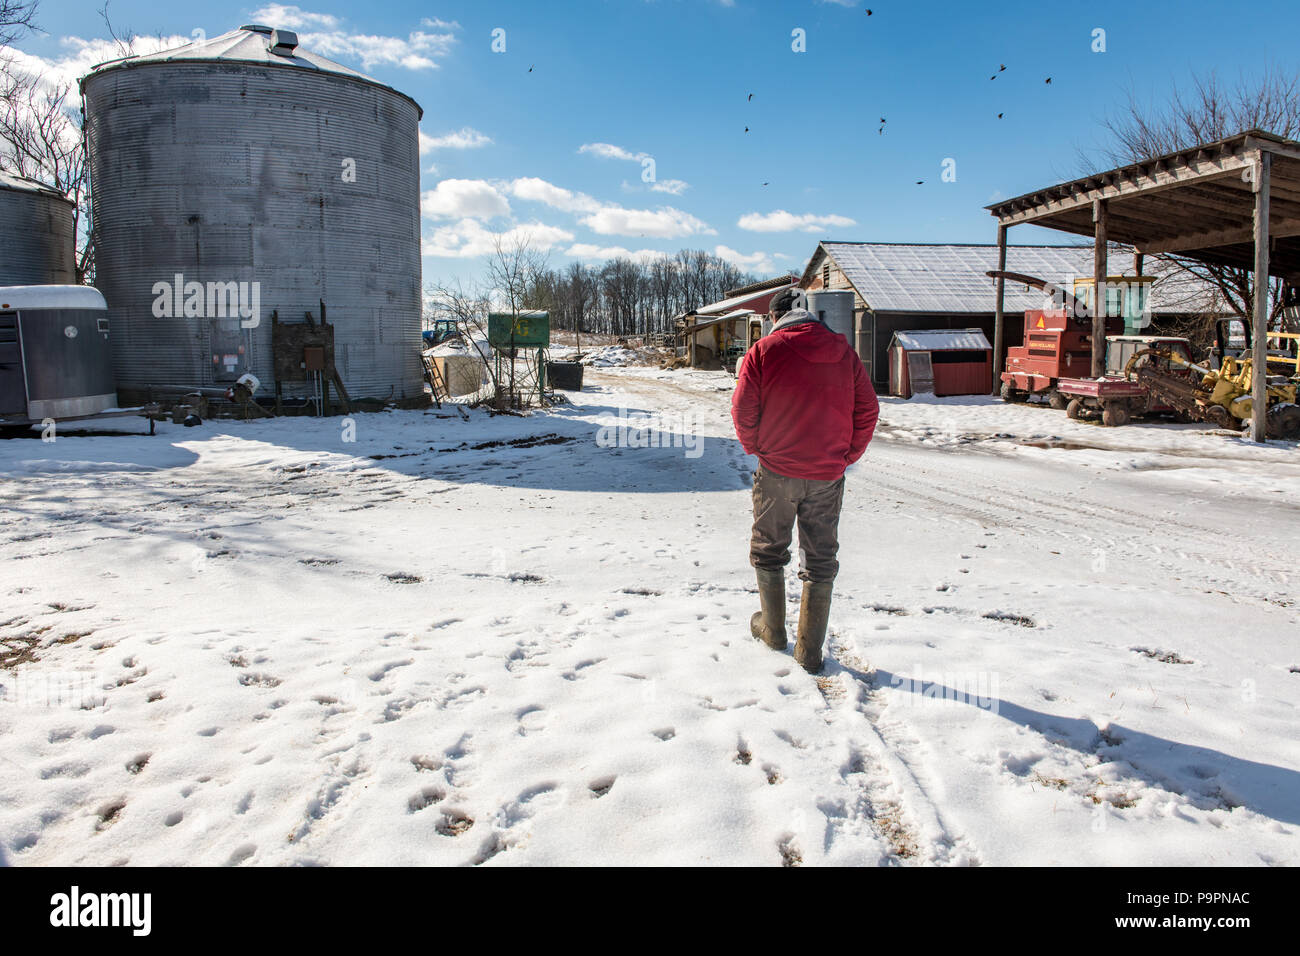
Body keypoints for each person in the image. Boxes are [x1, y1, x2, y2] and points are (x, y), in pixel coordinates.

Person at [730, 288, 879, 673]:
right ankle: (810, 652)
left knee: (768, 549)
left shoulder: (764, 351)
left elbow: (743, 408)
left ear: (777, 316)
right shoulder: (844, 351)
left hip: (777, 469)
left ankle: (773, 630)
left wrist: (758, 447)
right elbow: (868, 409)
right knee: (820, 559)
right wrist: (847, 455)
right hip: (827, 475)